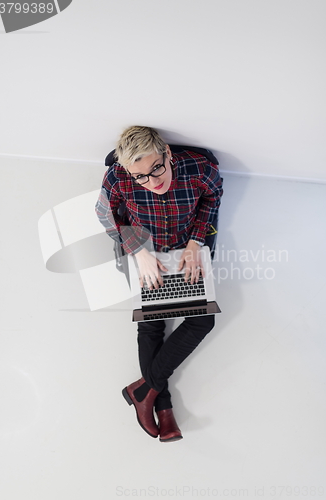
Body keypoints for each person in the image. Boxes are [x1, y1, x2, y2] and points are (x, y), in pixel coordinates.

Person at [95, 126, 223, 442]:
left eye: (156, 169)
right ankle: (161, 407)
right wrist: (138, 251)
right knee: (153, 324)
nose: (152, 183)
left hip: (185, 250)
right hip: (147, 252)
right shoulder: (118, 177)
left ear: (166, 152)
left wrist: (196, 241)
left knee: (201, 321)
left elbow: (213, 195)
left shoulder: (199, 166)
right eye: (141, 177)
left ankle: (144, 389)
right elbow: (105, 215)